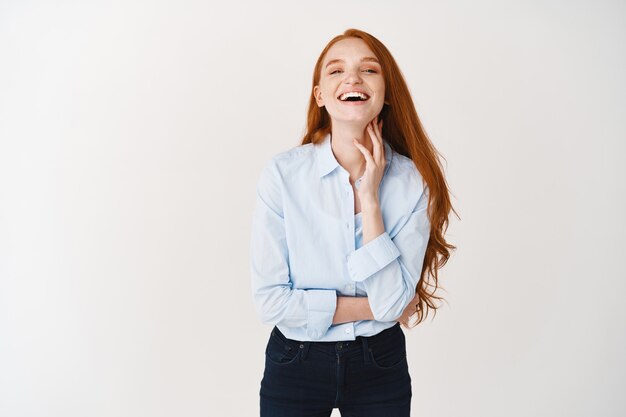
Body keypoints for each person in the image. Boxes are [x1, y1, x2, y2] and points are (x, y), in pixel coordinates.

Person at [250, 28, 457, 417]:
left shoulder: (414, 182)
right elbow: (271, 302)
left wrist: (370, 198)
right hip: (295, 363)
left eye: (369, 69)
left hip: (379, 364)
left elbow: (394, 303)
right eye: (336, 70)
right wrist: (373, 309)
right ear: (320, 96)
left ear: (386, 93)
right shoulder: (282, 175)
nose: (352, 78)